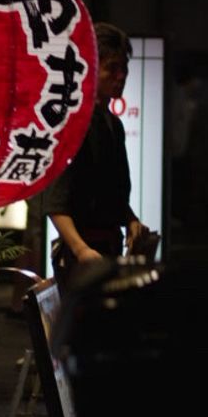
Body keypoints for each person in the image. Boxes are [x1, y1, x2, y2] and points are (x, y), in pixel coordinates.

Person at [46, 24, 153, 285]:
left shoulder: (113, 124)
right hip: (81, 252)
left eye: (124, 69)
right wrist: (81, 249)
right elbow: (55, 201)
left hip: (108, 246)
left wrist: (130, 220)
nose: (121, 76)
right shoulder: (72, 121)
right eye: (112, 68)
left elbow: (112, 191)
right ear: (91, 69)